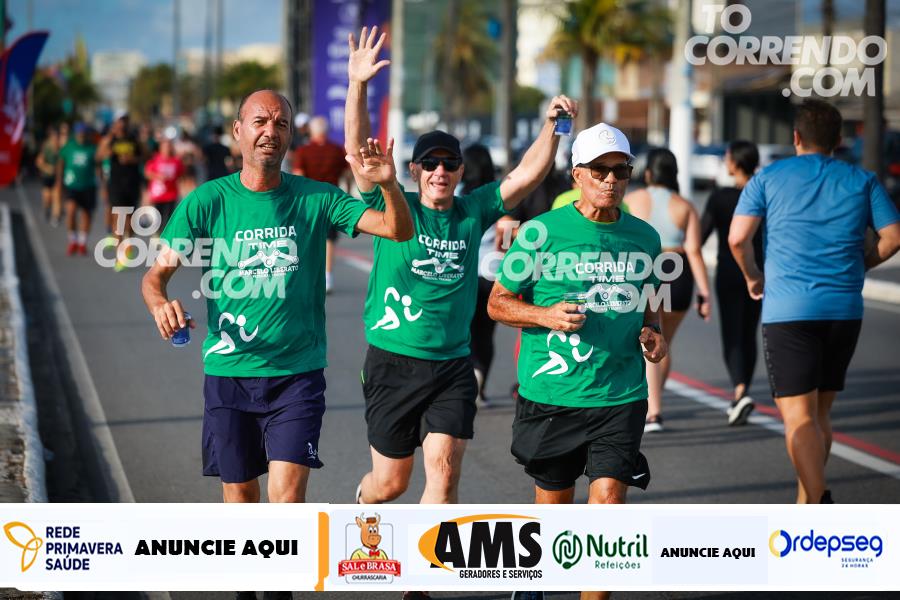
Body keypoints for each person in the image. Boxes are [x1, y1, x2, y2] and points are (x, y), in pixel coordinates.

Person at [142, 89, 412, 517]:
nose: (271, 131)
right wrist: (160, 304)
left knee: (286, 499)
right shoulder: (207, 201)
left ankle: (283, 566)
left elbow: (397, 230)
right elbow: (155, 277)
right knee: (241, 498)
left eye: (281, 123)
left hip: (297, 375)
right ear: (238, 131)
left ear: (290, 136)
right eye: (260, 122)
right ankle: (249, 566)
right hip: (230, 371)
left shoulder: (317, 197)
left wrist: (388, 185)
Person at [345, 27, 575, 511]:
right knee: (391, 484)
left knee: (445, 472)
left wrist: (552, 127)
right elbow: (361, 153)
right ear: (414, 171)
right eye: (429, 163)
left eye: (449, 163)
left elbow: (526, 175)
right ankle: (365, 502)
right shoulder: (393, 205)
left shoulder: (473, 210)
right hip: (393, 361)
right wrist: (358, 84)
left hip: (453, 365)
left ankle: (424, 561)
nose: (440, 171)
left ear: (460, 172)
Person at [488, 122, 666, 600]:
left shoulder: (645, 238)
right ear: (577, 175)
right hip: (553, 395)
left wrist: (654, 333)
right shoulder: (541, 233)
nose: (611, 180)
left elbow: (651, 304)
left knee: (607, 511)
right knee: (555, 510)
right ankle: (535, 580)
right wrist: (544, 315)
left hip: (620, 394)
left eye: (621, 170)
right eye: (600, 170)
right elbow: (498, 303)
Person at [729, 99, 900, 504]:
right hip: (844, 310)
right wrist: (862, 264)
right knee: (820, 414)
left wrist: (753, 276)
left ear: (796, 137)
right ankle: (805, 506)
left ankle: (819, 500)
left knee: (799, 418)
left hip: (788, 312)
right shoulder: (863, 180)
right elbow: (893, 237)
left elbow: (737, 239)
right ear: (839, 139)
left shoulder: (769, 177)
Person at [624, 149, 711, 432]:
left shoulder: (632, 200)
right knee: (664, 343)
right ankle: (653, 404)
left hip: (647, 270)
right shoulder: (685, 206)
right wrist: (705, 293)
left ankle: (653, 411)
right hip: (679, 273)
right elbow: (694, 251)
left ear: (649, 173)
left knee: (649, 339)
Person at [700, 141, 763, 426]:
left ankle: (739, 392)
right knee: (749, 332)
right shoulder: (764, 195)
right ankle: (743, 390)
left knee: (732, 335)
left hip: (729, 271)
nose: (725, 162)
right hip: (759, 272)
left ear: (735, 163)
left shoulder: (721, 197)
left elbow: (701, 235)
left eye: (727, 158)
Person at [463, 143, 508, 407]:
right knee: (486, 334)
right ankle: (480, 385)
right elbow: (506, 235)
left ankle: (466, 381)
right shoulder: (497, 195)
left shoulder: (457, 193)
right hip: (493, 273)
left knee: (464, 332)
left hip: (464, 273)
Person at [292, 116, 351, 294]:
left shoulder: (303, 151)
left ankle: (309, 276)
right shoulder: (336, 150)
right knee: (329, 239)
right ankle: (328, 277)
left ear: (311, 131)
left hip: (309, 201)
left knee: (306, 237)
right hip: (332, 201)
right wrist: (347, 193)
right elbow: (347, 174)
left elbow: (298, 176)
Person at [99, 112, 144, 268]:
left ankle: (128, 243)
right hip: (116, 184)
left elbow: (145, 156)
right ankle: (120, 256)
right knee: (118, 218)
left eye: (125, 121)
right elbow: (99, 156)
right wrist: (108, 146)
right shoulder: (110, 139)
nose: (122, 124)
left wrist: (132, 159)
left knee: (131, 221)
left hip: (132, 183)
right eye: (120, 121)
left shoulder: (134, 139)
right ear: (115, 123)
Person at [55, 123, 100, 256]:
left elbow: (98, 165)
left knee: (86, 214)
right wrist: (59, 181)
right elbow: (61, 162)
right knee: (71, 210)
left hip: (88, 185)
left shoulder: (92, 148)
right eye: (79, 133)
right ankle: (72, 240)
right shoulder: (69, 146)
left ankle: (82, 242)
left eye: (84, 133)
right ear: (75, 134)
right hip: (72, 185)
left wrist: (102, 183)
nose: (81, 135)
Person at [144, 136, 185, 232]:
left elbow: (182, 175)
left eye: (169, 146)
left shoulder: (176, 161)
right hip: (158, 194)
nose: (167, 148)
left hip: (171, 194)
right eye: (165, 146)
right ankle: (158, 234)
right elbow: (147, 173)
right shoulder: (155, 159)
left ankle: (166, 236)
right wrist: (157, 176)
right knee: (158, 217)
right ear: (160, 148)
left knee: (170, 217)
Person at [36, 127, 62, 225]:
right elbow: (39, 162)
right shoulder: (46, 147)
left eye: (58, 136)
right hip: (47, 176)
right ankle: (46, 209)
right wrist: (48, 168)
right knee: (47, 197)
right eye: (54, 136)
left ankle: (55, 217)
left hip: (57, 177)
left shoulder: (62, 147)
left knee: (57, 197)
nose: (56, 138)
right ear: (51, 137)